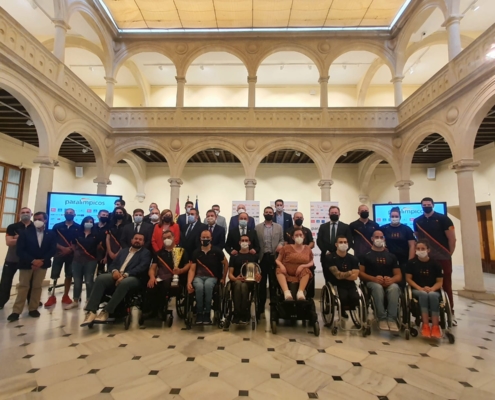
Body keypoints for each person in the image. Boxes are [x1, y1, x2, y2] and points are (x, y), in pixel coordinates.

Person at [81, 233, 152, 325]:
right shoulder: (123, 251)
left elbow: (142, 267)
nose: (137, 241)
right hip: (117, 274)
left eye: (140, 239)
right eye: (136, 238)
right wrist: (114, 271)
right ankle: (91, 311)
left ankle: (106, 311)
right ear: (131, 240)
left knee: (124, 283)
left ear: (143, 242)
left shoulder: (146, 253)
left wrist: (125, 275)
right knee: (101, 278)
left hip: (133, 277)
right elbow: (113, 264)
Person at [413, 197, 457, 324]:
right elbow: (418, 239)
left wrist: (448, 254)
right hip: (425, 259)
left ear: (433, 205)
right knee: (424, 283)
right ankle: (427, 313)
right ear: (421, 206)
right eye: (424, 204)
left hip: (442, 258)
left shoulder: (443, 219)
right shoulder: (417, 221)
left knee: (446, 284)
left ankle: (450, 313)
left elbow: (452, 240)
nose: (426, 206)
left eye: (428, 204)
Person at [7, 212, 57, 322]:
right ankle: (16, 311)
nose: (37, 221)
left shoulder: (51, 234)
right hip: (26, 263)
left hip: (42, 264)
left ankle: (33, 308)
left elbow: (52, 249)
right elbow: (20, 250)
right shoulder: (25, 233)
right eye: (35, 219)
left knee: (37, 286)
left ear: (45, 220)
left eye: (40, 219)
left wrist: (41, 261)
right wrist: (33, 261)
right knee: (23, 287)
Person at [359, 230, 402, 332]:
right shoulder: (365, 255)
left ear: (384, 239)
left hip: (389, 283)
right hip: (372, 282)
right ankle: (381, 318)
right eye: (376, 237)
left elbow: (398, 275)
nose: (379, 239)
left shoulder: (391, 256)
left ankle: (392, 319)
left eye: (381, 237)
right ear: (372, 239)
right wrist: (373, 279)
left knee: (395, 288)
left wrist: (391, 280)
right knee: (377, 287)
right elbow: (360, 273)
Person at [187, 230, 228, 325]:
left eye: (207, 237)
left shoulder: (217, 251)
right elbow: (192, 269)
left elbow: (226, 263)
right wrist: (189, 282)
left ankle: (207, 312)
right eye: (203, 237)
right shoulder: (196, 252)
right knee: (199, 287)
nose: (205, 239)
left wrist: (223, 278)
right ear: (200, 239)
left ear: (211, 239)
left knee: (208, 286)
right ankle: (199, 312)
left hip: (212, 277)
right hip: (199, 277)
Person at [146, 230, 190, 319]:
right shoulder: (158, 253)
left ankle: (161, 310)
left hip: (176, 279)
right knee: (151, 285)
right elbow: (153, 267)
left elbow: (188, 265)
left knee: (165, 284)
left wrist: (180, 271)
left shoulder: (181, 250)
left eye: (169, 237)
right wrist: (151, 277)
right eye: (164, 238)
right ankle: (151, 311)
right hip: (161, 277)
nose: (167, 239)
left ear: (174, 238)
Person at [406, 240, 444, 339]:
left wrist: (432, 289)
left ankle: (435, 326)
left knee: (432, 295)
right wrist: (420, 288)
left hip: (433, 290)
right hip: (417, 289)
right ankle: (425, 324)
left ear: (428, 250)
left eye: (423, 249)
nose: (420, 250)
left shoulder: (435, 264)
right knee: (423, 295)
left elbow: (439, 281)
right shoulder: (411, 263)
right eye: (418, 249)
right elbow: (408, 279)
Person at [45, 208, 80, 309]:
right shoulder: (57, 226)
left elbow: (78, 241)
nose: (69, 214)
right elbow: (52, 240)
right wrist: (62, 248)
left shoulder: (78, 227)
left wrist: (70, 249)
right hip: (58, 254)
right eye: (67, 213)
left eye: (71, 213)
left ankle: (66, 295)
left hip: (71, 255)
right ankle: (52, 296)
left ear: (75, 214)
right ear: (64, 214)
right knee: (55, 274)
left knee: (69, 275)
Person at [0, 207, 34, 309]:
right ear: (19, 214)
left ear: (31, 214)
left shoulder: (35, 227)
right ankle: (1, 301)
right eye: (23, 212)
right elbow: (9, 242)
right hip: (12, 258)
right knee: (5, 281)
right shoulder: (12, 227)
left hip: (29, 259)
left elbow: (37, 242)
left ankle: (31, 301)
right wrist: (27, 239)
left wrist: (18, 238)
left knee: (30, 282)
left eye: (27, 212)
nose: (25, 214)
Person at [255, 206, 284, 315]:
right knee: (261, 284)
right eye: (266, 212)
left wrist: (280, 245)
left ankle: (273, 306)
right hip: (262, 258)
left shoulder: (278, 227)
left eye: (270, 212)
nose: (268, 213)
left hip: (274, 257)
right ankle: (261, 306)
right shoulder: (257, 227)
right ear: (263, 213)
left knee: (274, 283)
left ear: (273, 214)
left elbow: (282, 240)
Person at [324, 236, 360, 317]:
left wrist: (343, 275)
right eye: (340, 242)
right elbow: (338, 276)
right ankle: (342, 310)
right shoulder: (330, 258)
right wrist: (350, 272)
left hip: (350, 284)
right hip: (336, 284)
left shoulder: (353, 258)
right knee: (342, 298)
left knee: (355, 298)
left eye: (345, 242)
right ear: (336, 244)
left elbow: (355, 277)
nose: (343, 244)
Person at [68, 216, 99, 309]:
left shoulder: (96, 234)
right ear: (83, 222)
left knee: (89, 281)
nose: (89, 223)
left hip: (91, 260)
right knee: (77, 281)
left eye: (91, 221)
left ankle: (89, 301)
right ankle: (75, 301)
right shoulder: (77, 233)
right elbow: (73, 245)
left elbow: (99, 248)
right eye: (87, 221)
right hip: (77, 260)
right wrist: (77, 253)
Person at [228, 234, 260, 324]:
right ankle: (238, 313)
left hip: (249, 282)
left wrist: (256, 276)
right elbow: (230, 274)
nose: (244, 242)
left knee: (244, 285)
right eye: (242, 240)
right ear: (239, 242)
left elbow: (257, 272)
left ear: (249, 243)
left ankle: (244, 312)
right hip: (236, 281)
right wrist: (235, 278)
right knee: (239, 284)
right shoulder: (234, 257)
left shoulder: (254, 257)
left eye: (246, 240)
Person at [275, 228, 314, 301]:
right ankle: (286, 292)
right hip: (286, 272)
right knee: (279, 270)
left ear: (304, 236)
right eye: (296, 235)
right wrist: (282, 266)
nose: (299, 237)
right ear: (292, 237)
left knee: (306, 271)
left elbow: (311, 262)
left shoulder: (308, 249)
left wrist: (302, 266)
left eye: (300, 235)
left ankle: (300, 292)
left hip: (300, 273)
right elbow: (277, 260)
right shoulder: (286, 248)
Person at [381, 207, 416, 286]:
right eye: (392, 216)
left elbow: (412, 245)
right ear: (389, 217)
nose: (394, 218)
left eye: (396, 216)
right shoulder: (383, 228)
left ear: (400, 217)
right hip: (389, 260)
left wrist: (410, 261)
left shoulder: (407, 229)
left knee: (403, 281)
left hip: (403, 259)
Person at [317, 206, 353, 270]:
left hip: (341, 257)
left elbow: (349, 241)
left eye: (336, 213)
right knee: (328, 278)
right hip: (326, 256)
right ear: (329, 214)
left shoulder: (345, 227)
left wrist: (342, 251)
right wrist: (325, 251)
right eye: (332, 213)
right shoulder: (323, 227)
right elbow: (319, 241)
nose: (334, 214)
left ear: (339, 214)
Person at [93, 209, 110, 275]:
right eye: (103, 215)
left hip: (104, 253)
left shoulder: (109, 228)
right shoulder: (93, 226)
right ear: (98, 216)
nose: (105, 216)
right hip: (92, 253)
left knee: (100, 273)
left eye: (106, 215)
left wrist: (106, 257)